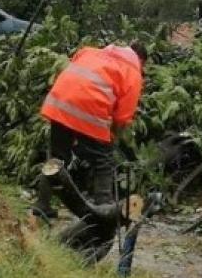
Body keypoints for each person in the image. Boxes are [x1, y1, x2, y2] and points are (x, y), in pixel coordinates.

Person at [35, 41, 147, 261]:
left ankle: (41, 207)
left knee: (57, 161)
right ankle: (103, 208)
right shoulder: (133, 72)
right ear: (141, 61)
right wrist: (112, 138)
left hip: (59, 102)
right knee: (104, 161)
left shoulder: (91, 52)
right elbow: (122, 118)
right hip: (88, 110)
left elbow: (76, 79)